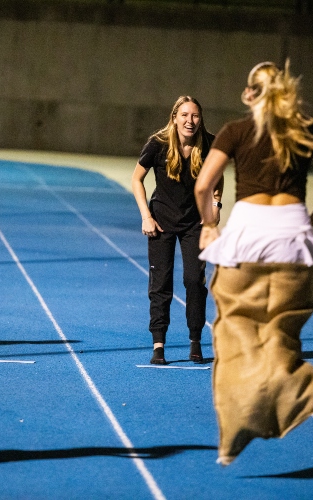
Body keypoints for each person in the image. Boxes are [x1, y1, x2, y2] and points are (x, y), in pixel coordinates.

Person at [194, 61, 313, 465]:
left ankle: (233, 436)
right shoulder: (308, 130)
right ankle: (301, 396)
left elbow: (203, 185)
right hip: (294, 242)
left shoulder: (236, 131)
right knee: (281, 339)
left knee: (234, 338)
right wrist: (309, 222)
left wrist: (210, 226)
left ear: (249, 95)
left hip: (246, 240)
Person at [131, 96, 220, 365]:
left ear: (200, 119)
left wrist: (215, 204)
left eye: (194, 116)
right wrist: (146, 216)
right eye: (184, 115)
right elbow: (137, 179)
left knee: (194, 280)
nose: (189, 121)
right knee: (161, 284)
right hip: (161, 221)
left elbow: (218, 177)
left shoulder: (209, 143)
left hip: (195, 222)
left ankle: (195, 341)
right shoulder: (157, 144)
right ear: (174, 117)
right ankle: (159, 344)